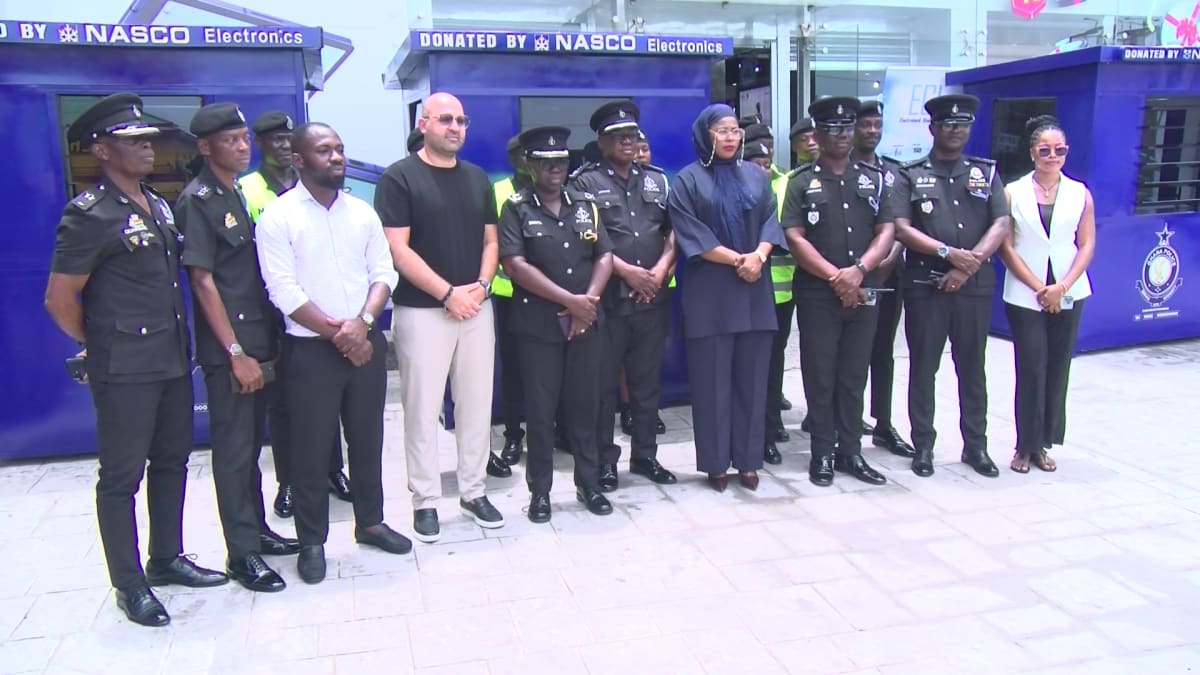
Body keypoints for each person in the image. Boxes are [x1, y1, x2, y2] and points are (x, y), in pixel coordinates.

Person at [44, 93, 227, 626]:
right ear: (101, 150)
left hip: (170, 358)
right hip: (123, 367)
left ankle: (166, 558)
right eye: (133, 142)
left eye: (149, 140)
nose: (147, 148)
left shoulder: (157, 203)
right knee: (121, 477)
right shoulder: (89, 214)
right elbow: (59, 298)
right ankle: (129, 584)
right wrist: (99, 341)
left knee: (172, 462)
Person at [256, 122, 411, 585]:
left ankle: (371, 522)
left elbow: (384, 272)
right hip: (310, 351)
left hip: (364, 342)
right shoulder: (278, 217)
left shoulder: (362, 213)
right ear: (299, 160)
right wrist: (341, 334)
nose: (337, 157)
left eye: (340, 149)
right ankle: (312, 542)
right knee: (310, 447)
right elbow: (283, 291)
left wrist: (363, 324)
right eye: (324, 150)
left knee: (367, 438)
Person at [376, 92, 506, 544]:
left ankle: (473, 491)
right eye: (446, 119)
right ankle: (425, 500)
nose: (455, 127)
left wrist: (482, 287)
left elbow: (492, 242)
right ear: (424, 123)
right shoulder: (399, 178)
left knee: (476, 405)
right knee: (422, 409)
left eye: (461, 120)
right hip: (423, 311)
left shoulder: (477, 178)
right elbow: (398, 249)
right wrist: (447, 294)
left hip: (476, 308)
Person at [176, 103, 296, 594]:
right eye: (232, 140)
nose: (243, 147)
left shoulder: (234, 192)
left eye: (245, 138)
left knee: (250, 451)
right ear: (206, 147)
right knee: (233, 453)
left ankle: (257, 532)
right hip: (232, 350)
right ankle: (242, 554)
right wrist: (234, 352)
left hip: (257, 339)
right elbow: (202, 281)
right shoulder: (198, 199)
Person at [239, 110, 353, 520]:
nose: (284, 146)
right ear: (261, 144)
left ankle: (334, 470)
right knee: (285, 404)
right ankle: (288, 481)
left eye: (289, 139)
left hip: (319, 310)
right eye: (276, 140)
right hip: (271, 309)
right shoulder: (248, 189)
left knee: (330, 396)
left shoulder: (319, 182)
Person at [499, 125, 615, 522]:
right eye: (546, 162)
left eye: (561, 162)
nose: (555, 169)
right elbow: (515, 265)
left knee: (585, 407)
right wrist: (571, 302)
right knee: (541, 412)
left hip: (585, 324)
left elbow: (604, 255)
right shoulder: (516, 207)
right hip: (539, 326)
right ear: (530, 165)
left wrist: (589, 303)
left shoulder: (585, 203)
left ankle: (589, 484)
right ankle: (540, 492)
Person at [892, 94, 1010, 478]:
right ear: (932, 128)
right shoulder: (910, 175)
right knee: (923, 368)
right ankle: (923, 446)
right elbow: (901, 227)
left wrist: (968, 263)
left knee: (972, 369)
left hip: (973, 286)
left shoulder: (985, 173)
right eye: (947, 124)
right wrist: (947, 253)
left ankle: (976, 446)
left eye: (962, 124)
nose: (955, 130)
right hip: (926, 285)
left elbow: (1001, 222)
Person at [668, 104, 784, 493]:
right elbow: (691, 233)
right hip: (710, 294)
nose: (730, 137)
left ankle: (749, 461)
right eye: (721, 130)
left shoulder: (756, 175)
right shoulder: (687, 180)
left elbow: (770, 220)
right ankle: (716, 464)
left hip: (754, 292)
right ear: (705, 135)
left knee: (752, 380)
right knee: (712, 383)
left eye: (735, 130)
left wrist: (759, 256)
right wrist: (739, 260)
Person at [782, 96, 895, 488]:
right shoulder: (801, 182)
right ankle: (822, 453)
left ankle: (850, 451)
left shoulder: (874, 178)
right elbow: (794, 236)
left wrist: (859, 271)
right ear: (818, 134)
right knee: (820, 375)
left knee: (853, 374)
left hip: (863, 291)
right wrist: (837, 277)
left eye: (847, 128)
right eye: (832, 128)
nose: (842, 135)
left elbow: (887, 230)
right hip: (819, 294)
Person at [571, 101, 678, 492]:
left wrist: (662, 268)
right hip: (610, 301)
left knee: (647, 384)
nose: (627, 142)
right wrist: (627, 271)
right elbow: (586, 238)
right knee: (603, 389)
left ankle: (645, 455)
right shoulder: (584, 183)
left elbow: (673, 230)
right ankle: (605, 461)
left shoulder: (657, 180)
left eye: (632, 135)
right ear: (602, 142)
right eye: (618, 137)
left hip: (652, 299)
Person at [999, 114, 1094, 474]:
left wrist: (1062, 286)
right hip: (1027, 292)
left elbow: (1086, 244)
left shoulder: (1080, 192)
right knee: (1031, 367)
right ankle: (1024, 446)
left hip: (1069, 290)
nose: (1052, 156)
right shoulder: (1013, 191)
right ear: (1032, 153)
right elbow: (1006, 246)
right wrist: (1040, 288)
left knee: (1057, 367)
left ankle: (1043, 443)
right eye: (1045, 150)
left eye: (1059, 150)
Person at [851, 100, 915, 458]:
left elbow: (903, 224)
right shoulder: (839, 168)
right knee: (850, 353)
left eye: (877, 125)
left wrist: (887, 260)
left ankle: (884, 423)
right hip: (851, 277)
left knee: (882, 351)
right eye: (866, 125)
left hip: (889, 275)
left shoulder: (895, 172)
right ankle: (845, 418)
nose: (872, 131)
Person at [743, 122, 796, 465]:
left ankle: (770, 426)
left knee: (773, 363)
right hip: (743, 288)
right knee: (747, 366)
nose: (763, 169)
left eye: (766, 162)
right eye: (756, 163)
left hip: (780, 292)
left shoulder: (787, 183)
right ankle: (750, 430)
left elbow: (791, 232)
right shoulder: (732, 186)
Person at [490, 135, 532, 467]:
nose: (527, 160)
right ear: (512, 158)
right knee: (514, 370)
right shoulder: (499, 190)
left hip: (549, 295)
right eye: (521, 155)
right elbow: (489, 241)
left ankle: (559, 430)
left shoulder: (556, 189)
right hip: (510, 296)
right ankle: (514, 435)